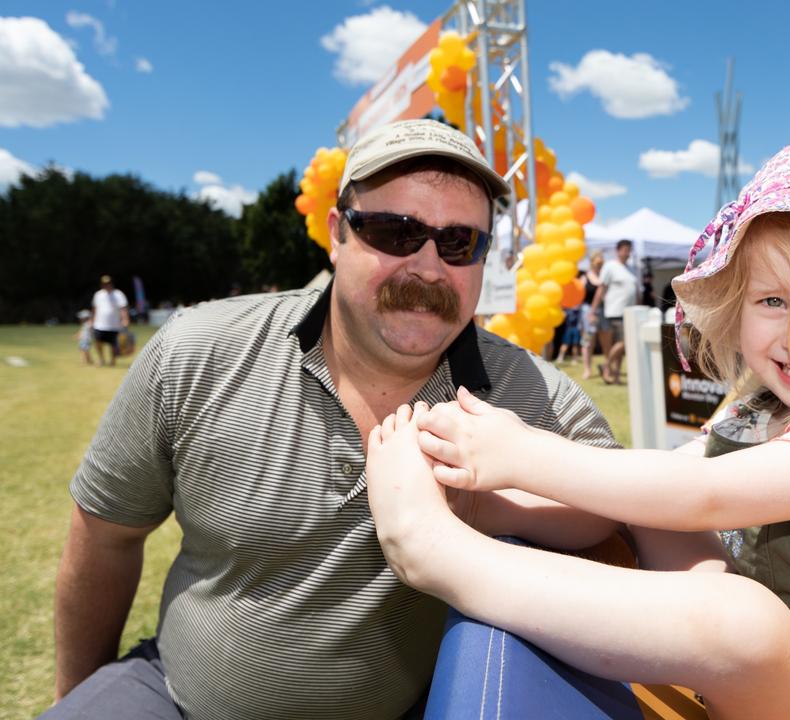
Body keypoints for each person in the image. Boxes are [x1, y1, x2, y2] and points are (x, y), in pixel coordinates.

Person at [364, 143, 790, 720]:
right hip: (764, 657)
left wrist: (526, 453)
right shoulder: (759, 409)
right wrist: (489, 495)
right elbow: (647, 498)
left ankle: (441, 555)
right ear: (734, 307)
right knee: (643, 498)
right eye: (773, 301)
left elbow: (703, 492)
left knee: (742, 616)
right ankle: (477, 518)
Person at [47, 119, 619, 720]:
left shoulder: (533, 398)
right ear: (336, 235)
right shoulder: (198, 350)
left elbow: (624, 518)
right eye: (395, 232)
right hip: (172, 698)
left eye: (458, 243)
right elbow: (106, 536)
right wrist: (78, 694)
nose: (427, 269)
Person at [590, 239, 639, 384]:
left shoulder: (632, 269)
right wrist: (593, 310)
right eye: (624, 249)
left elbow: (635, 291)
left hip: (630, 312)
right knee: (625, 342)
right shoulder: (610, 266)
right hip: (615, 311)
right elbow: (601, 288)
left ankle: (615, 375)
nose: (627, 252)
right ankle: (607, 365)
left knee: (622, 346)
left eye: (629, 249)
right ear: (618, 250)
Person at [90, 275, 129, 367]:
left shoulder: (118, 294)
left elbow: (123, 308)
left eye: (108, 283)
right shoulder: (98, 294)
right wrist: (92, 320)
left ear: (111, 283)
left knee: (114, 344)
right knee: (98, 341)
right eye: (104, 284)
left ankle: (112, 361)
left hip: (114, 325)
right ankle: (101, 359)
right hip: (99, 324)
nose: (106, 285)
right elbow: (94, 309)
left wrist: (125, 319)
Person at [579, 250, 605, 380]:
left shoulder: (604, 276)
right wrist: (591, 313)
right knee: (588, 341)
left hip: (603, 311)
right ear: (592, 263)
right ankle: (587, 369)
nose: (599, 265)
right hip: (587, 311)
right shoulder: (585, 277)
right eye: (597, 263)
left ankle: (606, 367)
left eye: (601, 263)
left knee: (603, 340)